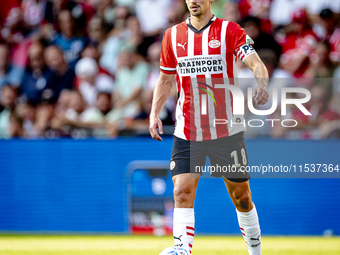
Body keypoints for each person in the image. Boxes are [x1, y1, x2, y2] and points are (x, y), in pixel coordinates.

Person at [149, 0, 269, 254]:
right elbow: (165, 78)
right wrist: (154, 113)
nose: (193, 1)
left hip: (226, 131)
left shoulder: (230, 30)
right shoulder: (172, 36)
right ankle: (182, 250)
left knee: (242, 197)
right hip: (187, 130)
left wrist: (262, 83)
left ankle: (255, 251)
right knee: (182, 190)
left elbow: (256, 63)